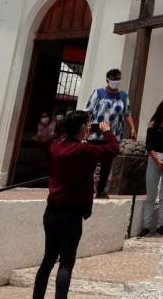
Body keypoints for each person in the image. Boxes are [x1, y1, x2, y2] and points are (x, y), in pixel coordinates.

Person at [31, 110, 118, 299]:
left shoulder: (56, 146)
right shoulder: (84, 150)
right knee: (66, 263)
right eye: (87, 124)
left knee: (48, 259)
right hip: (72, 213)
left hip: (52, 210)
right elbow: (113, 150)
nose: (89, 127)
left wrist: (78, 133)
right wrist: (107, 132)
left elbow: (60, 139)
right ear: (81, 128)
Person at [85, 69, 137, 199]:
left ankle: (101, 189)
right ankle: (86, 187)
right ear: (108, 79)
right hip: (96, 135)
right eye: (113, 79)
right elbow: (89, 111)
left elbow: (127, 113)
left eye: (118, 79)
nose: (116, 81)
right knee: (90, 163)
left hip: (113, 135)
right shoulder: (99, 93)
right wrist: (86, 127)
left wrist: (132, 127)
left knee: (107, 164)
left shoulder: (124, 96)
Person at [138, 98, 163, 237]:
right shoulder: (153, 124)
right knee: (151, 194)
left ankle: (161, 225)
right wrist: (156, 159)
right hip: (155, 157)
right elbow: (148, 144)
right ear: (161, 109)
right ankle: (146, 225)